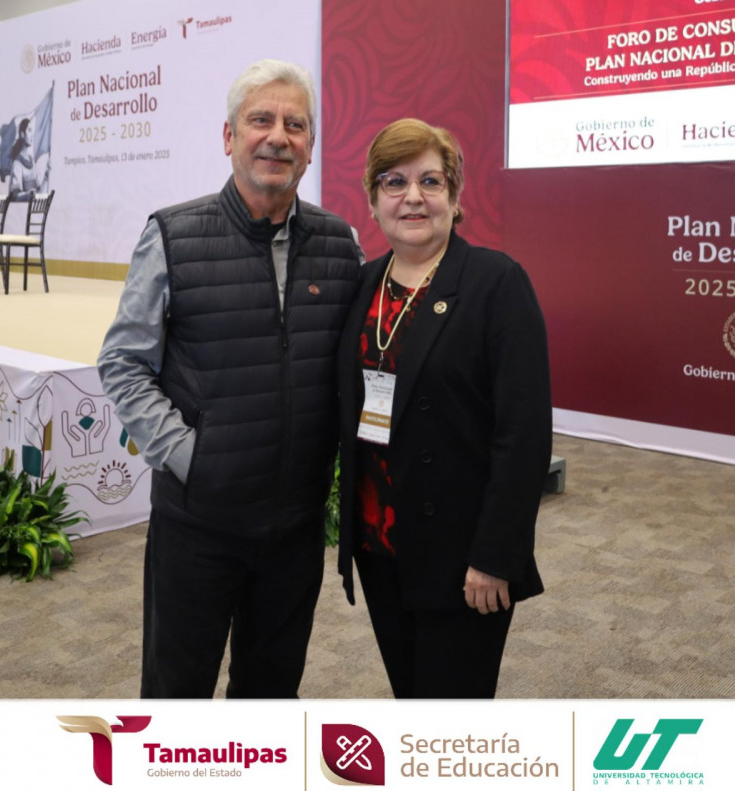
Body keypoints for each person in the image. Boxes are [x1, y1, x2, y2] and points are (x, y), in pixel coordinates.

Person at [98, 59, 363, 698]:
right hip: (198, 527)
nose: (278, 137)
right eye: (260, 120)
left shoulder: (341, 245)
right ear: (229, 137)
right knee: (175, 694)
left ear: (311, 146)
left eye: (295, 125)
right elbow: (123, 363)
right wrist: (190, 457)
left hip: (295, 531)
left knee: (271, 695)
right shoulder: (172, 235)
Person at [336, 118, 551, 698]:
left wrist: (497, 554)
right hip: (381, 543)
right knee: (411, 697)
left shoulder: (496, 283)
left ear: (454, 198)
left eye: (430, 181)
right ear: (373, 200)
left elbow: (524, 434)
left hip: (462, 555)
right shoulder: (362, 286)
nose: (412, 196)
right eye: (394, 182)